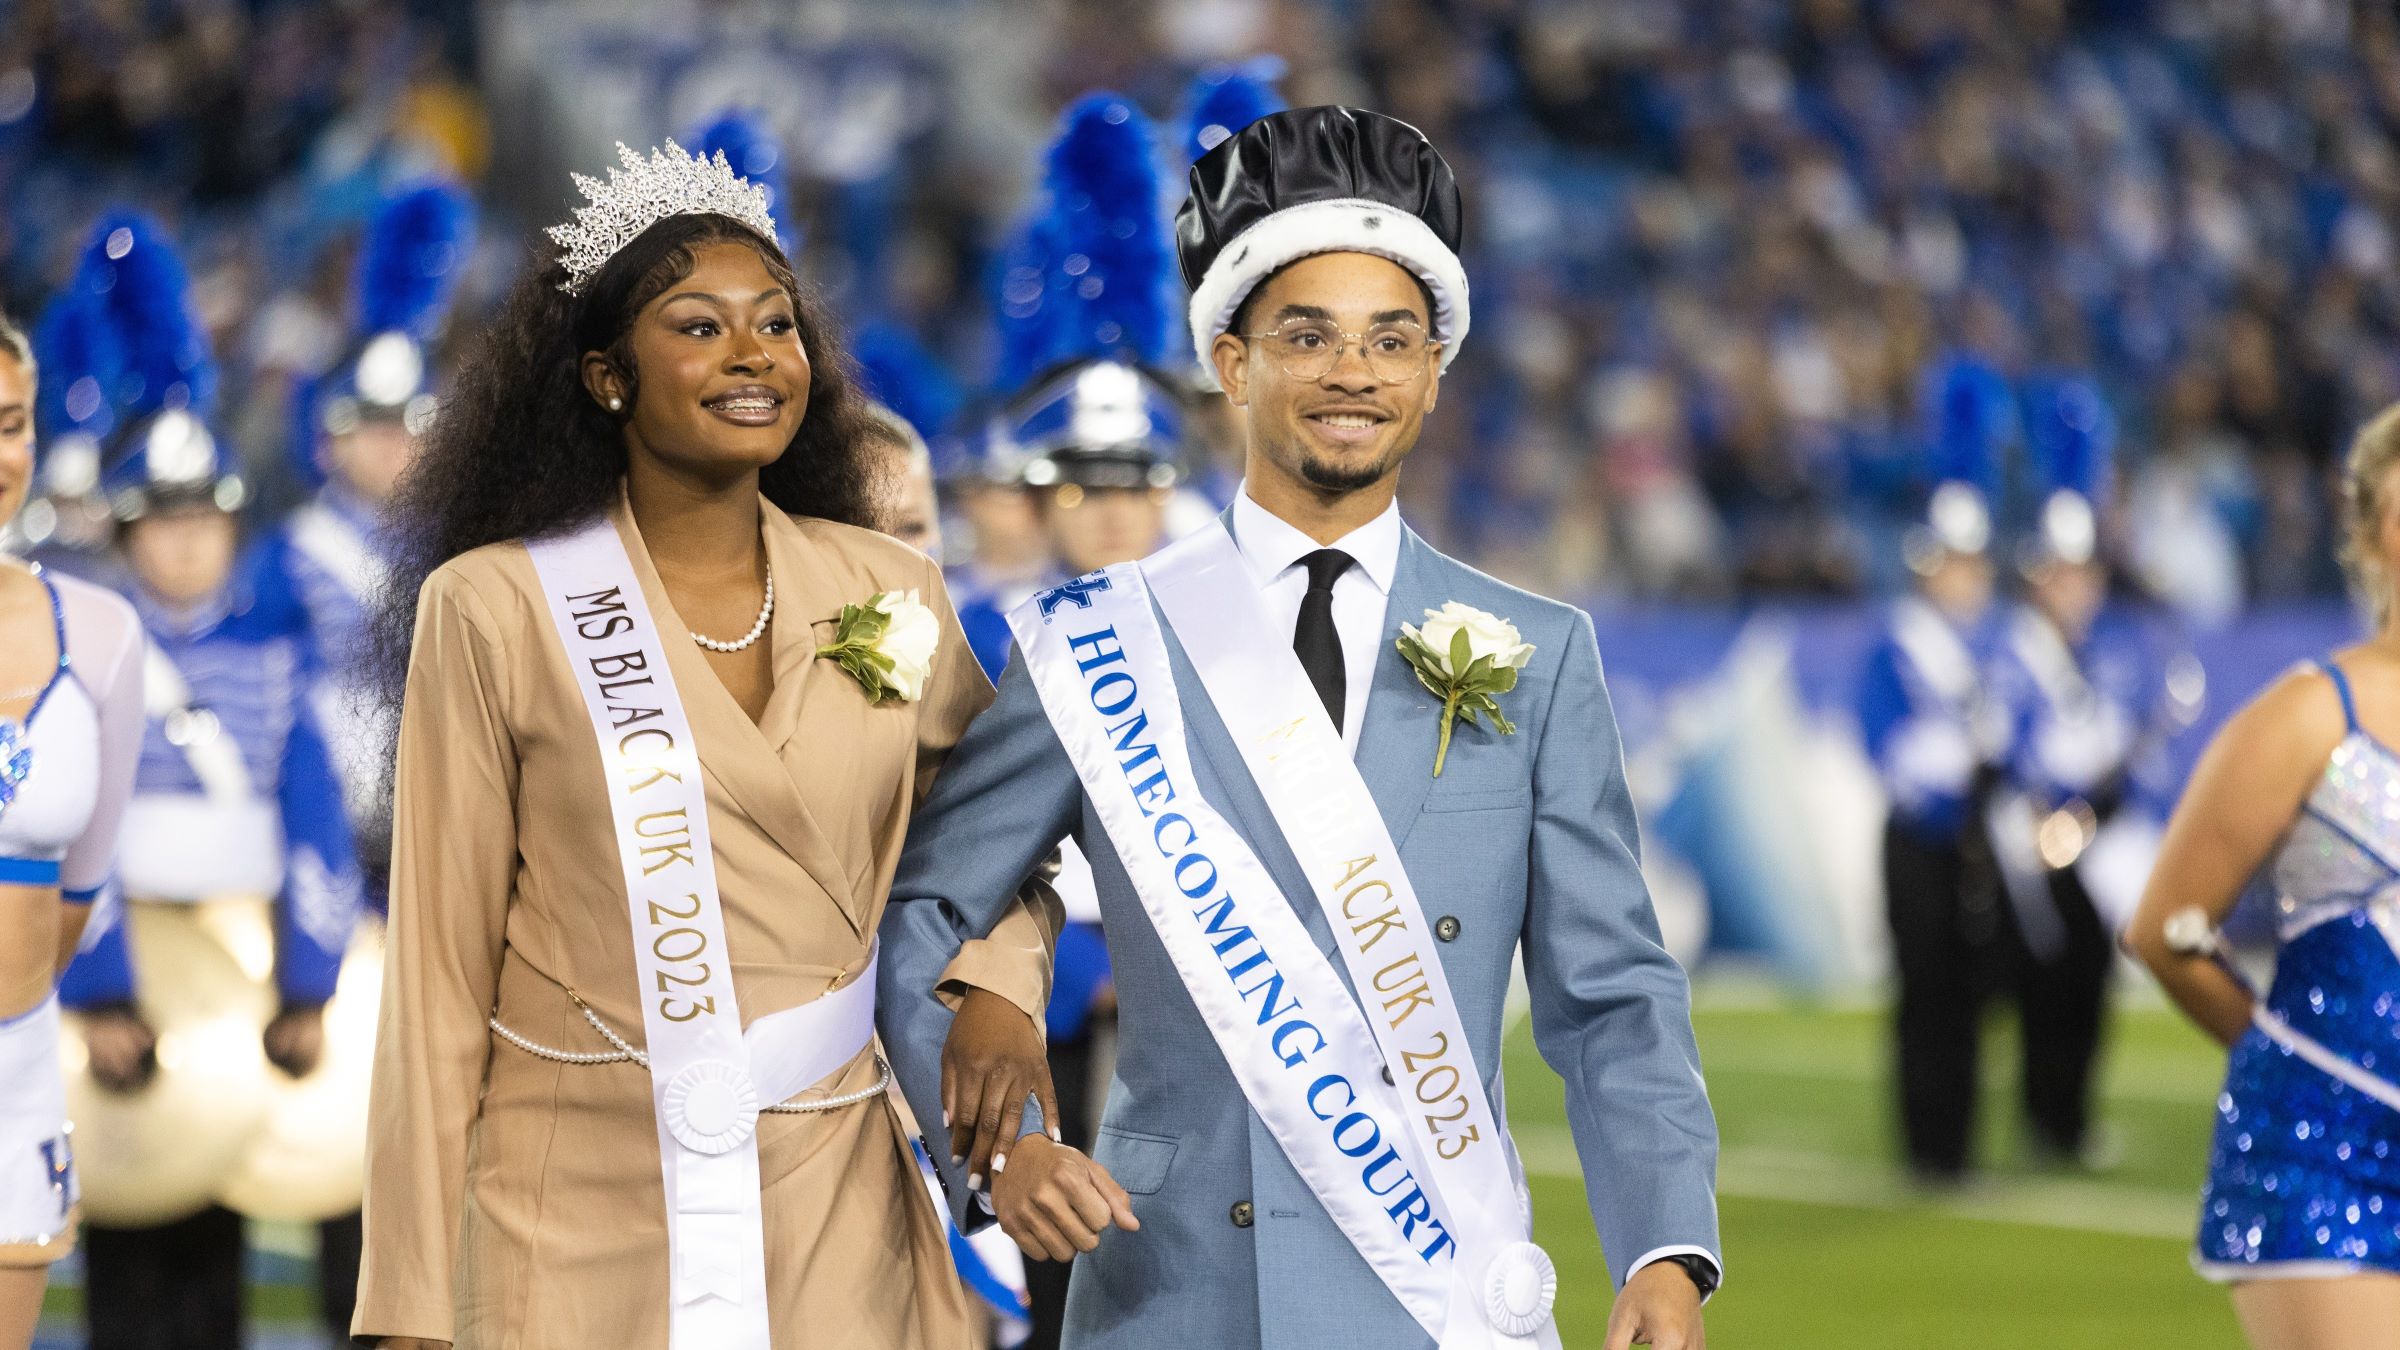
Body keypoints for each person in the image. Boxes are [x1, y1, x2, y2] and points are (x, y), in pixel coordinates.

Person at [881, 106, 1722, 1350]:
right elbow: (927, 907)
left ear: (1435, 374)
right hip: (1168, 1284)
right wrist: (1001, 1152)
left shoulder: (1539, 656)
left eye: (1393, 340)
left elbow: (1611, 994)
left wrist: (1665, 1247)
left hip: (1430, 1289)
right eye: (1307, 336)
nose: (1354, 373)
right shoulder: (1097, 641)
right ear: (1231, 362)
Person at [350, 141, 1059, 1350]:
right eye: (698, 326)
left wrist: (998, 994)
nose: (752, 356)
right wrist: (408, 1299)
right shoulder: (494, 606)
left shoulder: (891, 588)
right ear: (605, 375)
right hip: (570, 1203)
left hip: (836, 1190)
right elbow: (438, 975)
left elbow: (994, 853)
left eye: (777, 327)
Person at [59, 392, 364, 1350]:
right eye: (164, 520)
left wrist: (311, 979)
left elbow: (313, 819)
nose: (188, 543)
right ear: (127, 530)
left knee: (243, 1260)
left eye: (205, 519)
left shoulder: (276, 651)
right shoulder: (88, 655)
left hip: (248, 975)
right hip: (127, 978)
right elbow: (77, 828)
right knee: (136, 1261)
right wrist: (99, 987)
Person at [2125, 403, 2400, 1350]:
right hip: (2324, 1156)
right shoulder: (2305, 715)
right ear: (2369, 539)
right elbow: (2164, 927)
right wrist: (2278, 1053)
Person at [1984, 376, 2180, 1168]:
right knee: (2045, 982)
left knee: (2087, 979)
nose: (2083, 591)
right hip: (2035, 837)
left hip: (2086, 835)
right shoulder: (2017, 649)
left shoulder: (2093, 651)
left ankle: (2067, 1117)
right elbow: (2009, 748)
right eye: (2068, 577)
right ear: (2040, 579)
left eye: (2089, 576)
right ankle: (2045, 1118)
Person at [0, 304, 145, 1350]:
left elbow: (81, 888)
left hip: (17, 1069)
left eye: (9, 423)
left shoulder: (98, 632)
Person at [1855, 358, 2008, 1183]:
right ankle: (1926, 1145)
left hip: (1976, 836)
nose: (1971, 578)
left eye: (1977, 563)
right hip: (1921, 835)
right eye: (1957, 563)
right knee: (1925, 989)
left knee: (1974, 994)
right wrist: (1963, 769)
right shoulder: (1900, 642)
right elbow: (1890, 746)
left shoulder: (1995, 643)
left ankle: (1962, 1142)